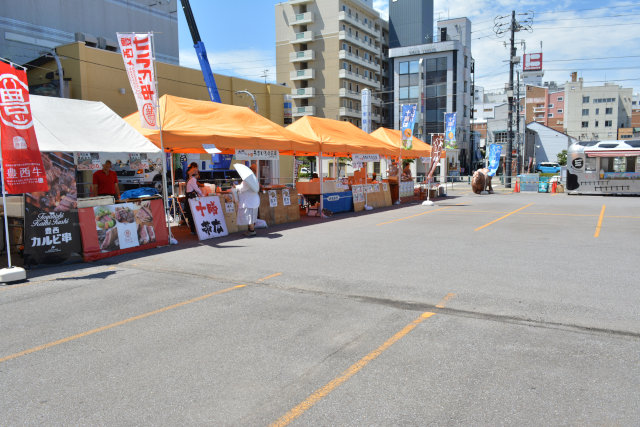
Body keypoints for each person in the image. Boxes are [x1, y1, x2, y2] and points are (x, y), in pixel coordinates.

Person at [236, 164, 260, 237]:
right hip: (253, 200)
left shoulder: (247, 180)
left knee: (250, 216)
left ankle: (251, 230)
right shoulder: (254, 178)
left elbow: (242, 188)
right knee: (252, 216)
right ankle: (250, 230)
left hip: (249, 201)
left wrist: (235, 186)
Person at [183, 166, 203, 234]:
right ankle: (193, 230)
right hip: (191, 197)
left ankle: (193, 230)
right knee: (192, 213)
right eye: (198, 173)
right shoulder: (193, 180)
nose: (198, 175)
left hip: (189, 197)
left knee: (190, 213)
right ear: (196, 174)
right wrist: (202, 195)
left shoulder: (190, 179)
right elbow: (197, 189)